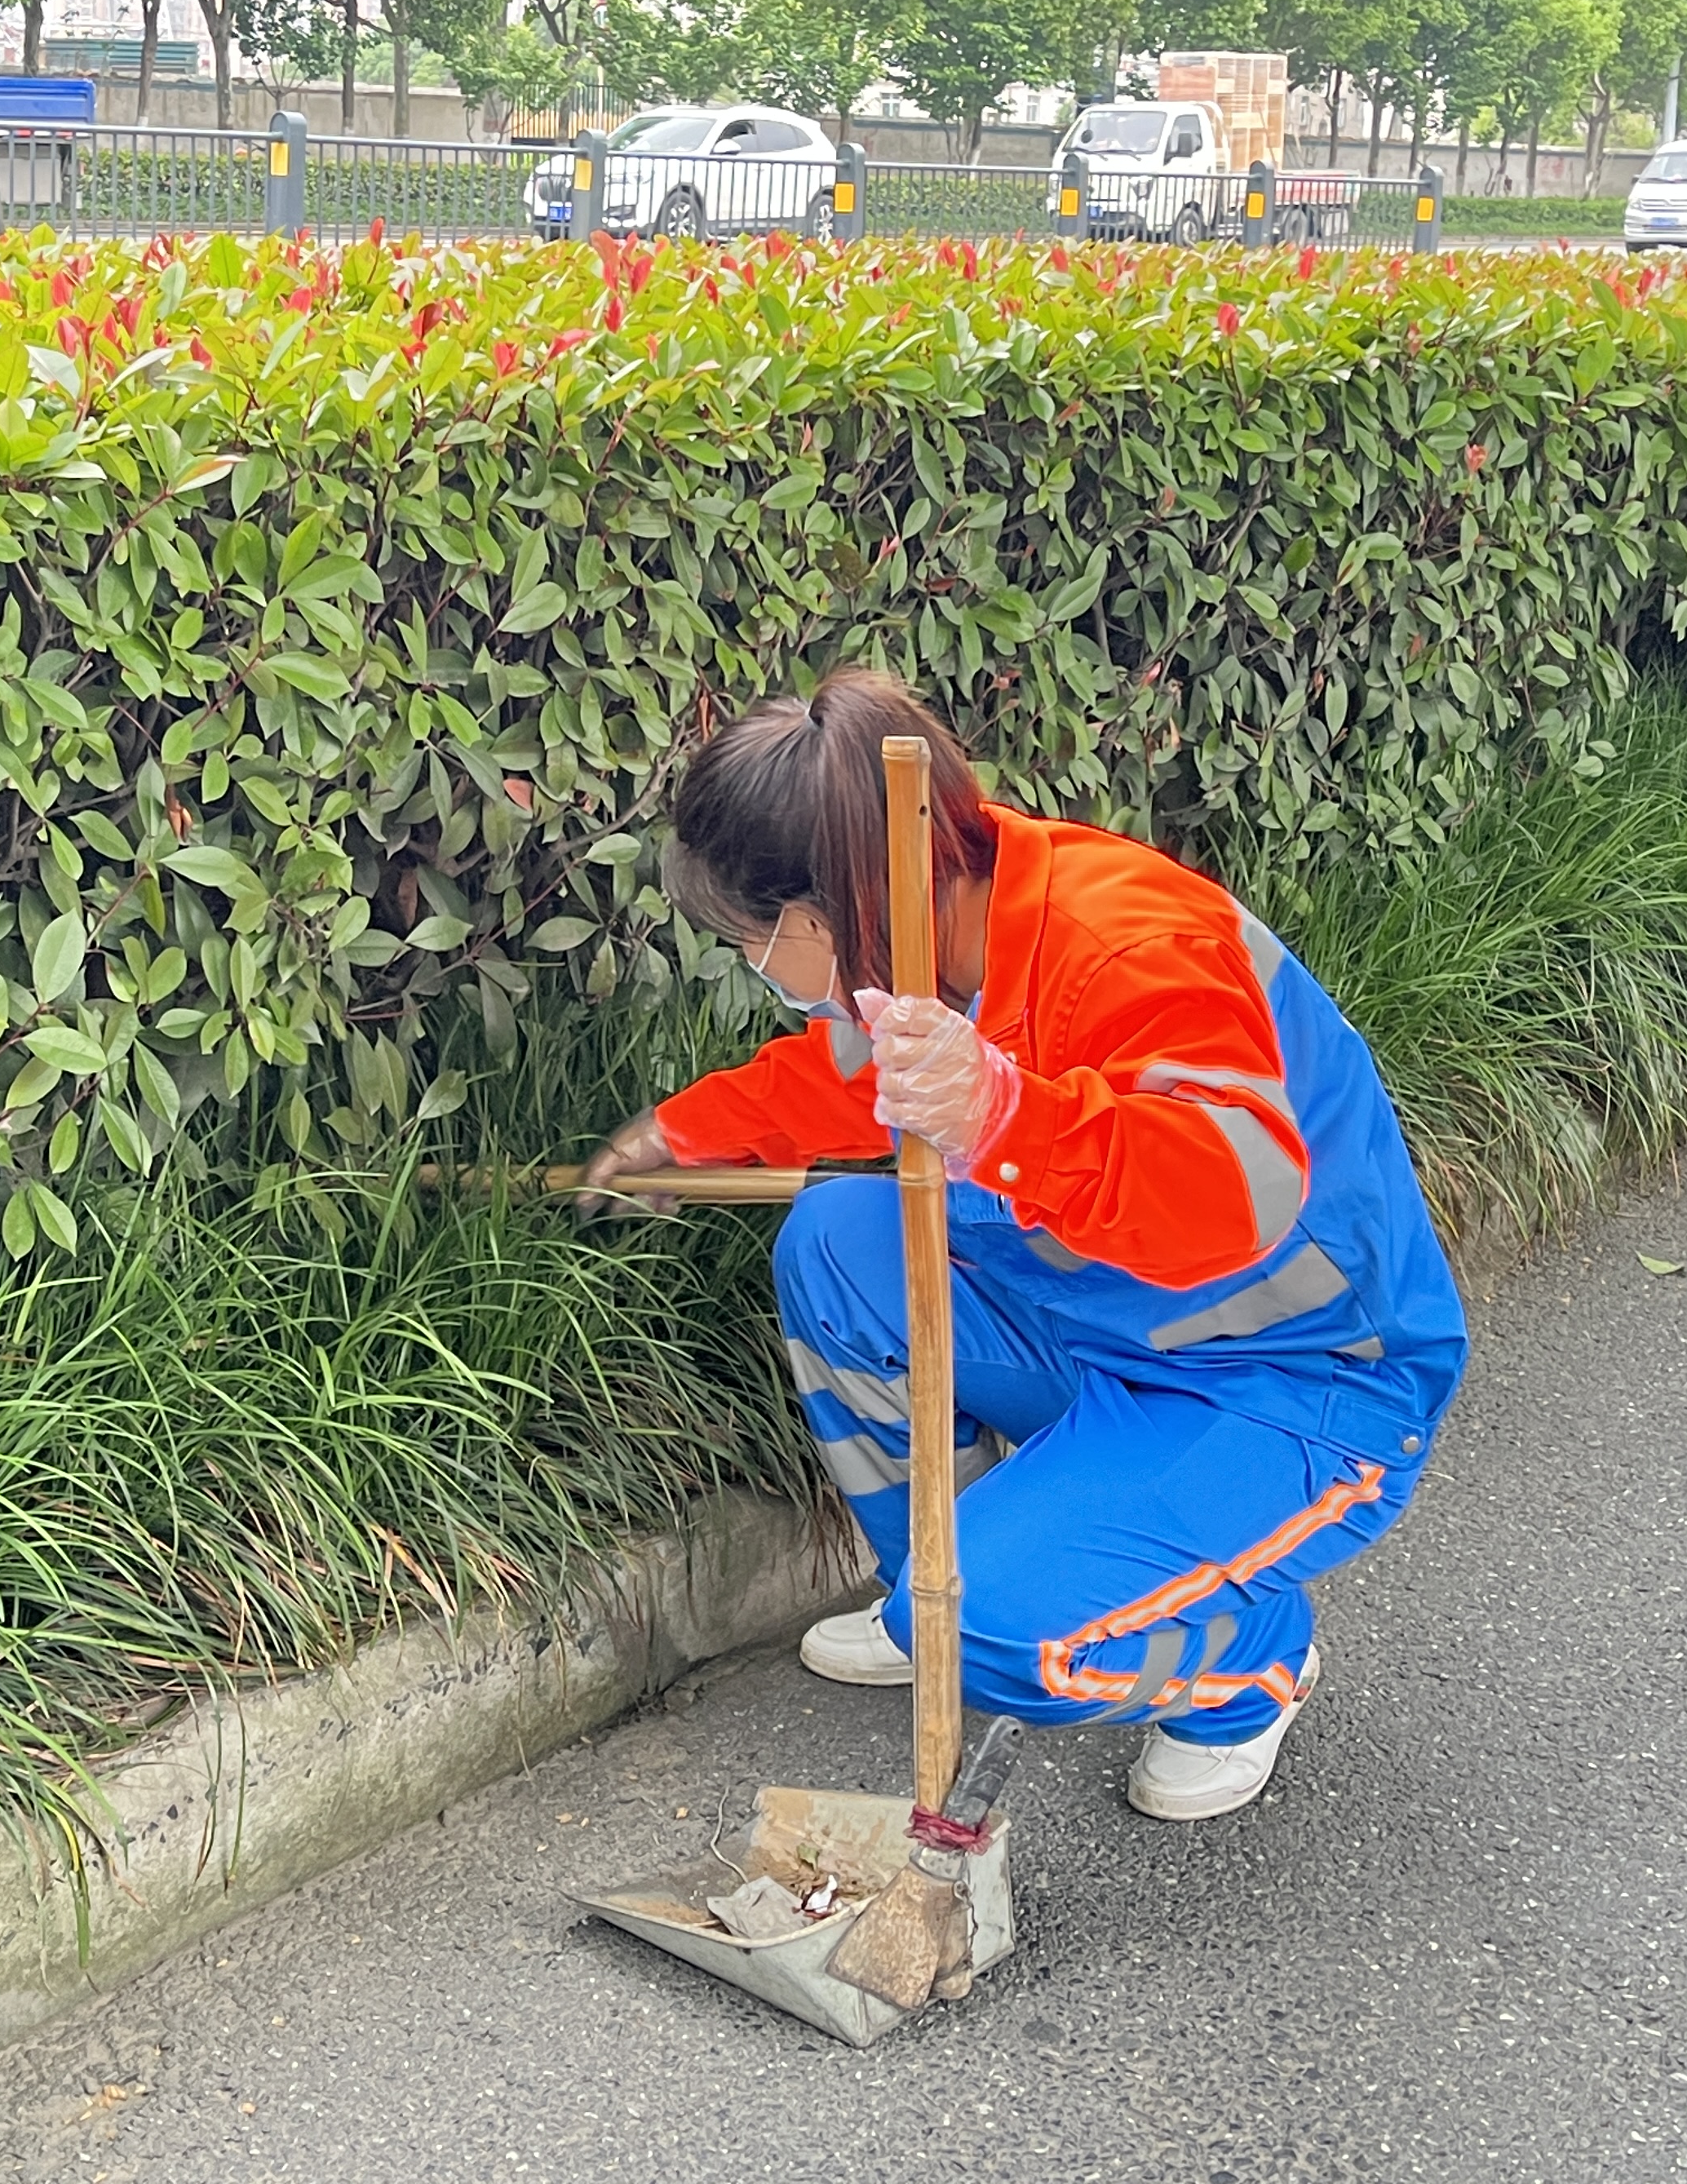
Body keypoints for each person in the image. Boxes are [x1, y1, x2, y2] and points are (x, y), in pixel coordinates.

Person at [585, 672, 1468, 1822]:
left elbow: (1235, 1193)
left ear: (820, 916)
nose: (758, 966)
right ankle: (940, 1591)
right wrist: (685, 1135)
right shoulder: (935, 921)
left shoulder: (1125, 940)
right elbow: (863, 1072)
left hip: (1300, 1379)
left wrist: (1006, 1115)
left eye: (753, 941)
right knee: (837, 1248)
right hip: (1112, 1319)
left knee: (997, 1635)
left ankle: (1250, 1666)